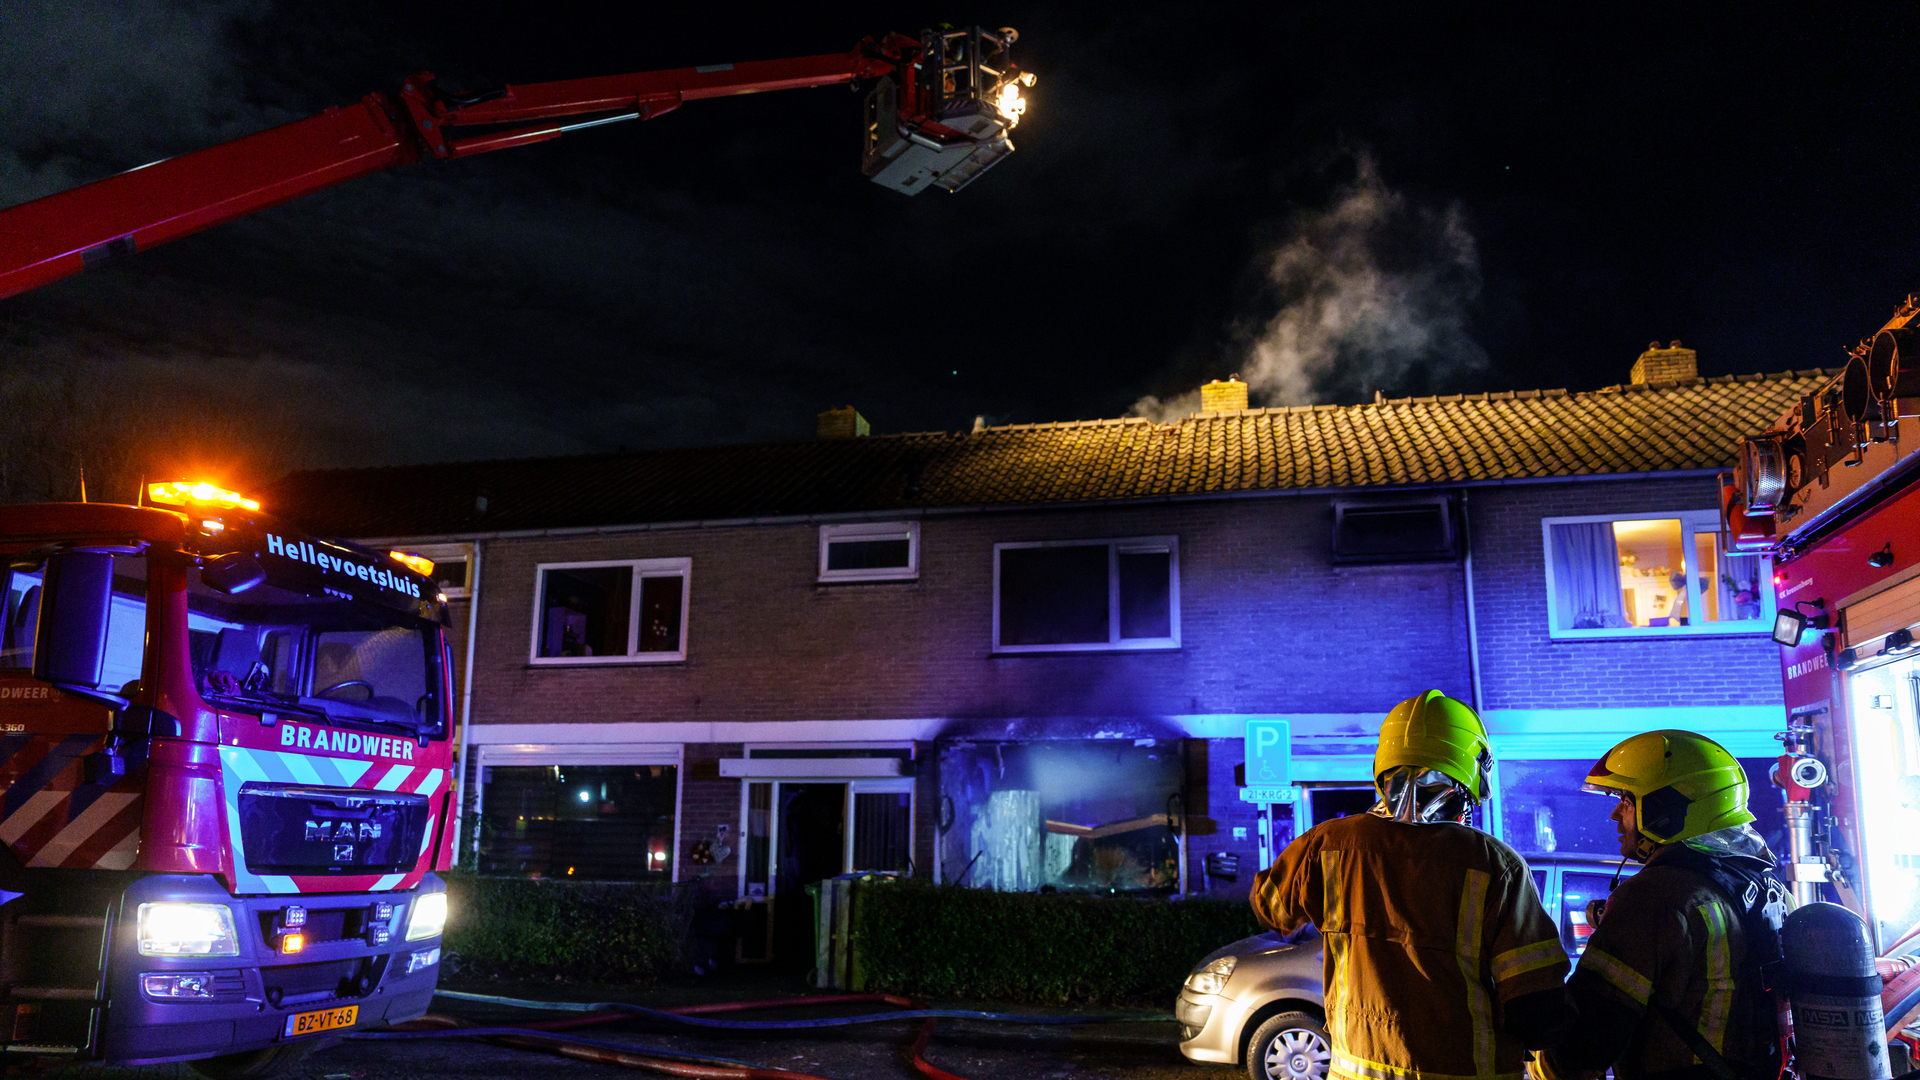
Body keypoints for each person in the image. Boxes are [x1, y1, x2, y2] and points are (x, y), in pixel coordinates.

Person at [1250, 690, 1572, 1080]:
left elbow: (1271, 909)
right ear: (1470, 773)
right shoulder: (1496, 867)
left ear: (1384, 769)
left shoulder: (1326, 847)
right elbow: (1535, 1011)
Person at [1536, 730, 1789, 1080]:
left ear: (1665, 809)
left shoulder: (1654, 897)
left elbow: (1583, 1048)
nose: (1614, 815)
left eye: (1625, 800)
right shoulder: (1766, 889)